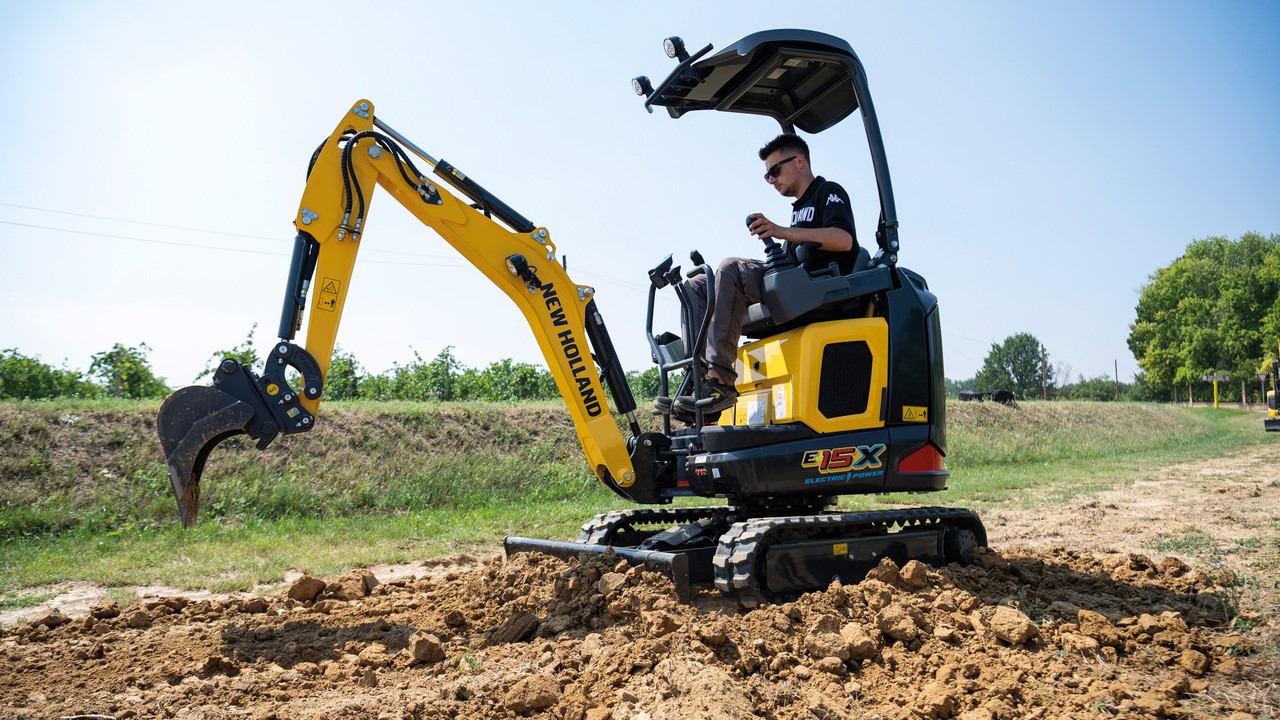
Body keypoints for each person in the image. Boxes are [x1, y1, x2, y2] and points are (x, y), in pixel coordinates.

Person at [670, 133, 859, 417]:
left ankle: (721, 381)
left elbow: (844, 239)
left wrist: (781, 231)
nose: (772, 180)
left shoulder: (829, 192)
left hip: (816, 285)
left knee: (730, 268)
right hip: (792, 278)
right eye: (767, 176)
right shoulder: (798, 208)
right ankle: (697, 381)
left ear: (799, 161)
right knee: (697, 284)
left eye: (774, 171)